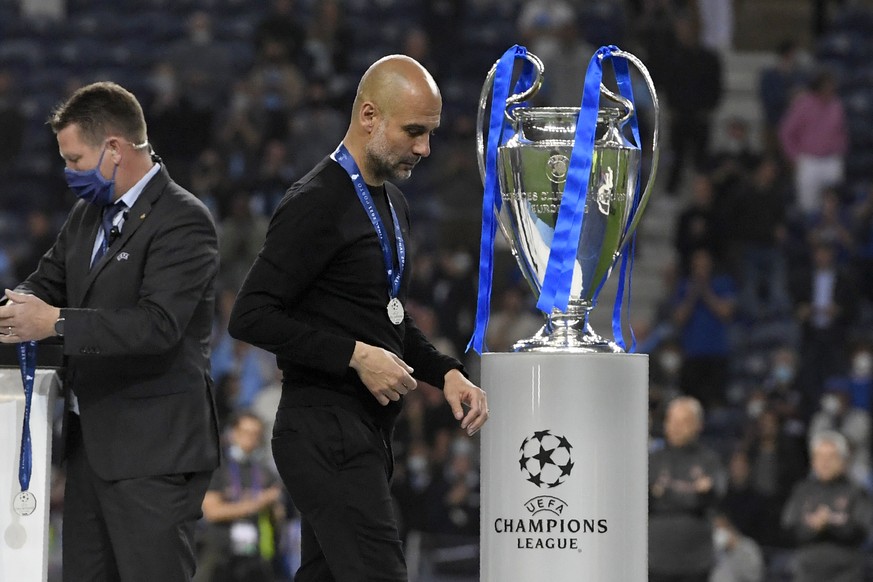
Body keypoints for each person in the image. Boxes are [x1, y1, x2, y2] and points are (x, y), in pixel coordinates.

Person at [227, 55, 488, 581]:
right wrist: (353, 356)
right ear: (369, 115)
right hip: (322, 430)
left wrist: (446, 372)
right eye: (414, 131)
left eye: (430, 132)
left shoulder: (393, 203)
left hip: (366, 433)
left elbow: (388, 321)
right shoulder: (315, 202)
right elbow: (250, 315)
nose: (425, 148)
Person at [0, 82, 220, 581]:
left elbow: (158, 325)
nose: (68, 172)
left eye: (75, 159)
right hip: (89, 452)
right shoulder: (86, 216)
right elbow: (44, 283)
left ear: (114, 150)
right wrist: (9, 312)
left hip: (153, 458)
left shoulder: (184, 220)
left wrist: (54, 321)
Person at [197, 412, 285, 582]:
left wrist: (276, 508)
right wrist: (258, 502)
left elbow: (278, 516)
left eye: (255, 434)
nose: (250, 438)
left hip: (255, 556)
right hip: (219, 556)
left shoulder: (265, 471)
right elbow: (212, 512)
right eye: (245, 432)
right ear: (234, 433)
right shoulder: (219, 468)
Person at [649, 396, 727, 582]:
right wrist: (691, 494)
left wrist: (665, 494)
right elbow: (642, 499)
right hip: (655, 560)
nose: (676, 427)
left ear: (698, 425)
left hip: (695, 562)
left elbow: (714, 496)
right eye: (672, 421)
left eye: (683, 422)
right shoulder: (652, 460)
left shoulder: (710, 461)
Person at [782, 430, 873, 582]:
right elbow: (789, 526)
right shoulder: (802, 490)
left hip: (846, 570)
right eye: (820, 457)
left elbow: (862, 529)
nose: (825, 463)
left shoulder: (856, 491)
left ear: (844, 461)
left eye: (831, 457)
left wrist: (830, 524)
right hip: (807, 568)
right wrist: (813, 527)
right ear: (813, 461)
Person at [709, 513, 765, 582]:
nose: (718, 532)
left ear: (730, 528)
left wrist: (735, 549)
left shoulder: (748, 546)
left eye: (720, 528)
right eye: (715, 528)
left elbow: (754, 576)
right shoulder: (719, 549)